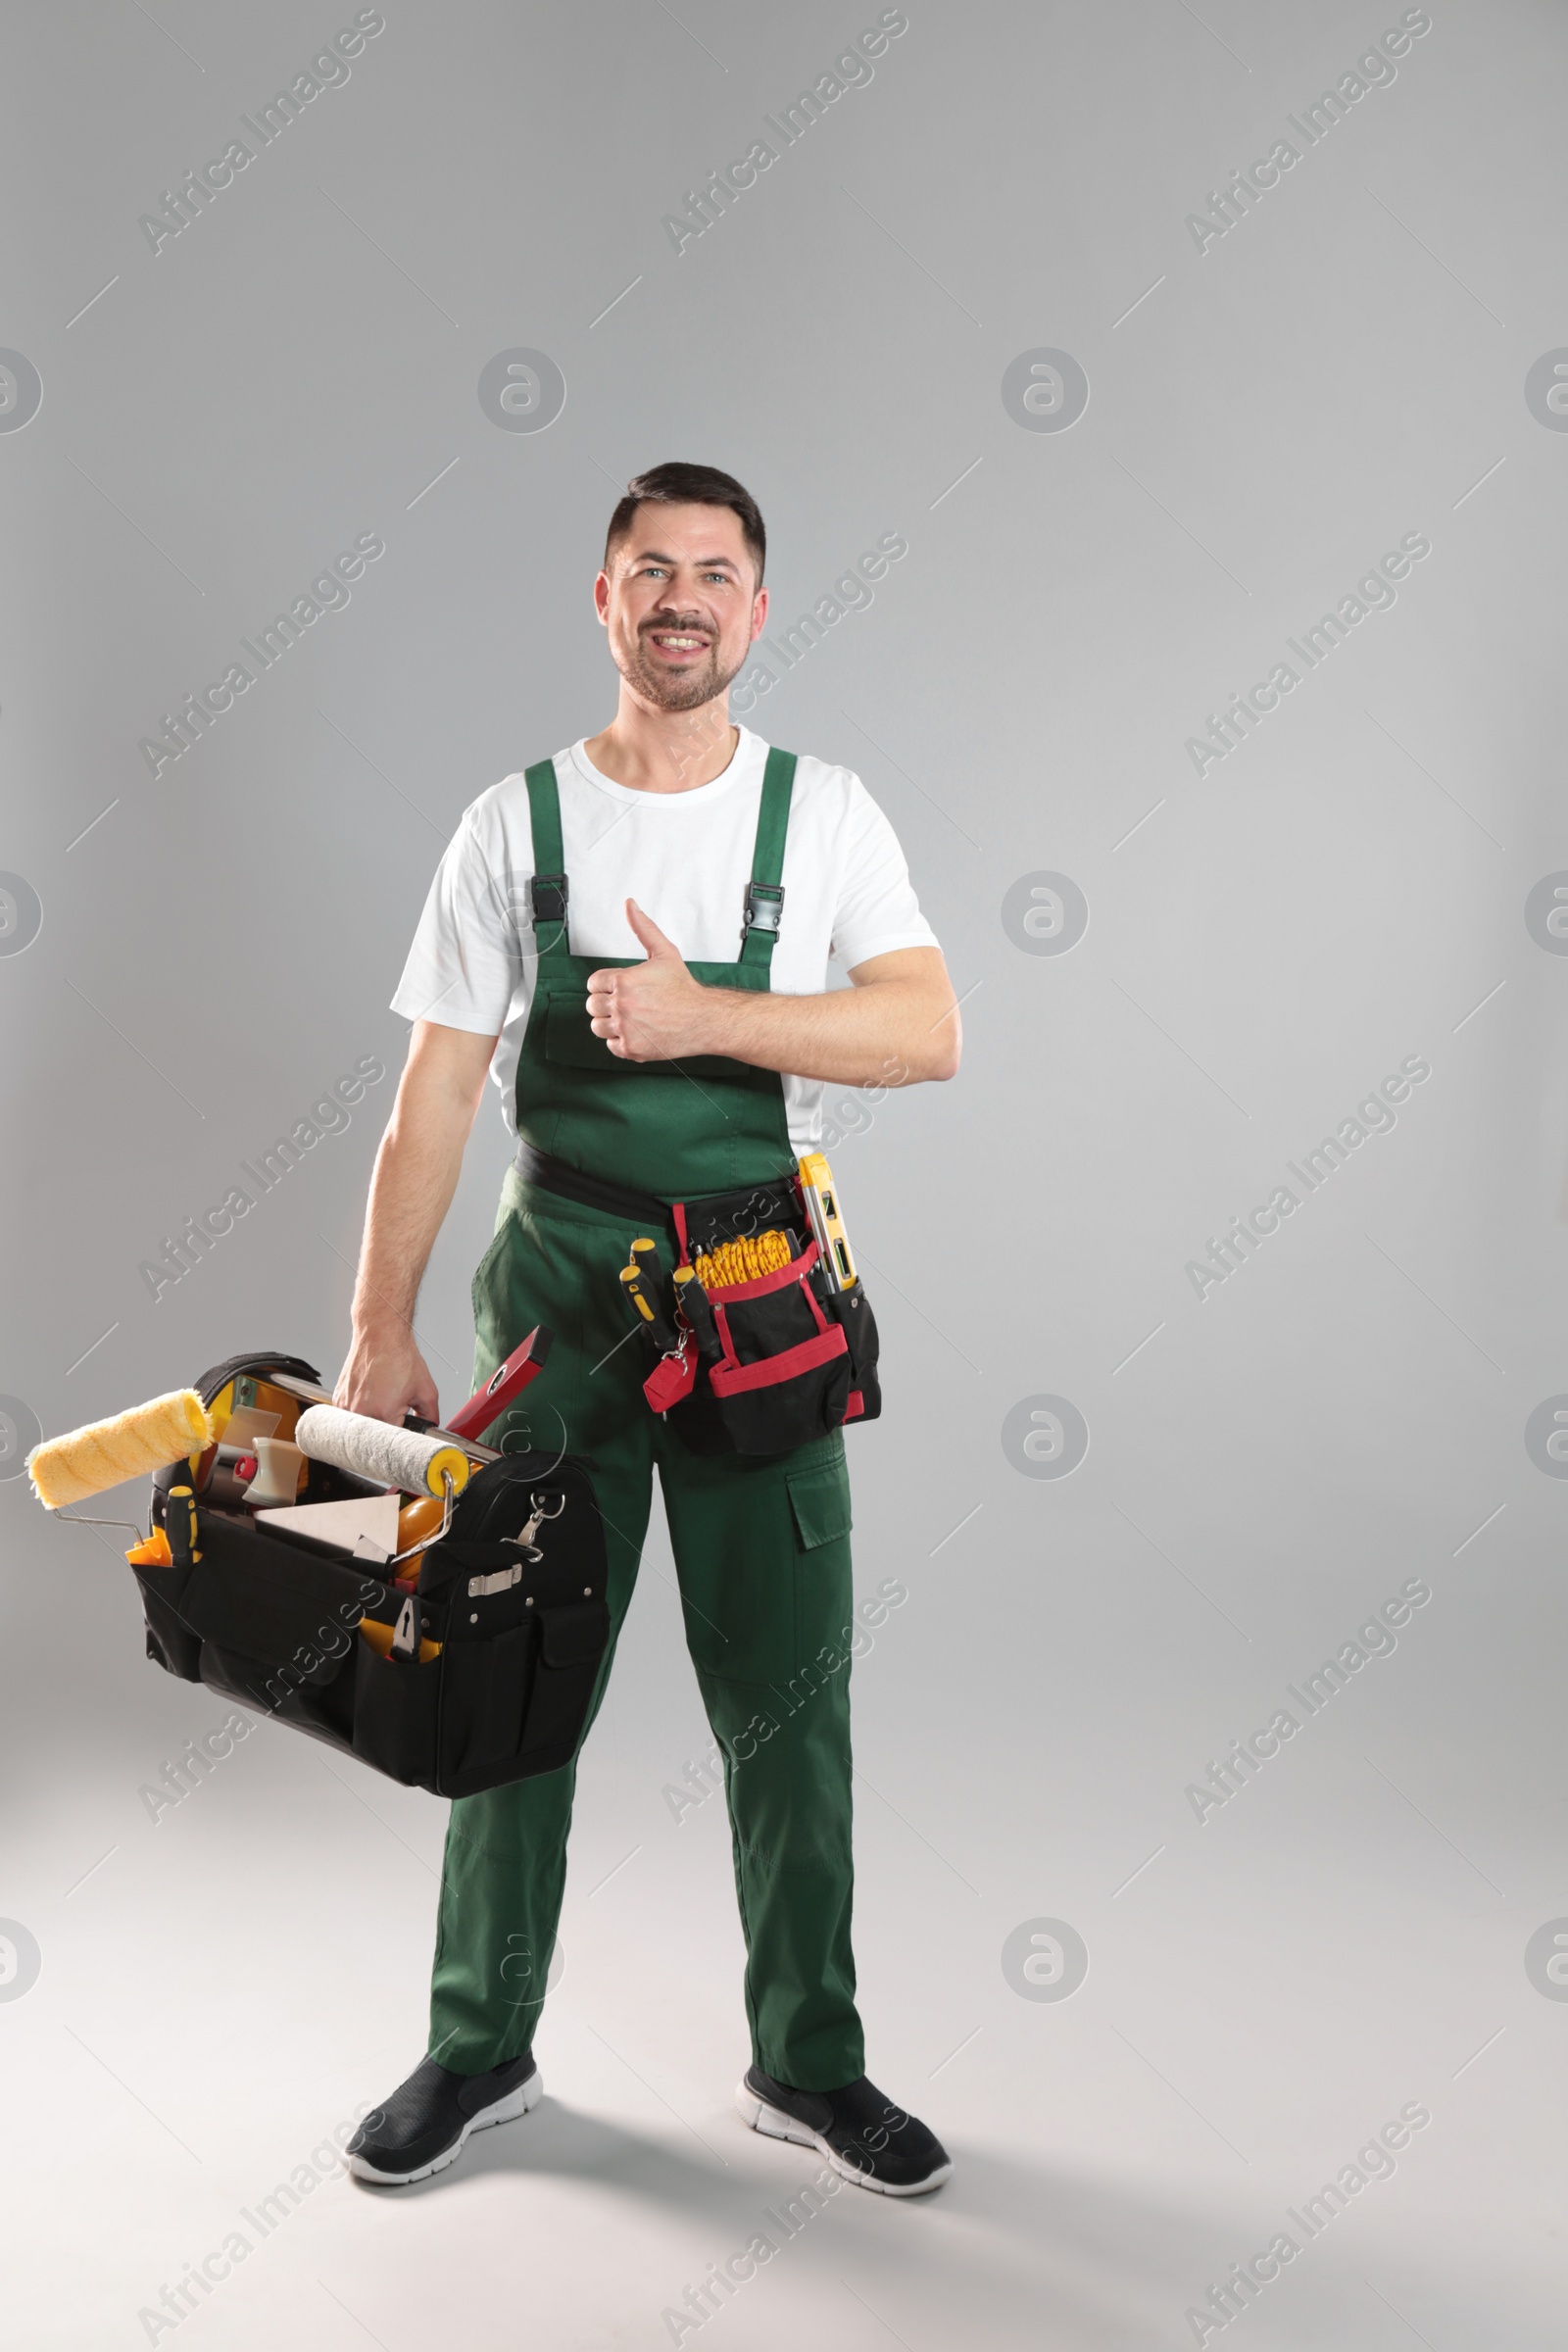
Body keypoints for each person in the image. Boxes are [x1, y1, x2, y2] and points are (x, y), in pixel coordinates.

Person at [336, 462, 962, 2193]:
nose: (680, 597)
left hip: (760, 1305)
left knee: (789, 1701)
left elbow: (926, 1030)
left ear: (756, 614)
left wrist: (705, 1014)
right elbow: (436, 1093)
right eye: (648, 569)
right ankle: (478, 2046)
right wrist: (379, 1328)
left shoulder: (822, 813)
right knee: (505, 1668)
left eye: (714, 572)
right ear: (600, 602)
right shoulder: (513, 825)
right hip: (559, 1308)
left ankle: (811, 2063)